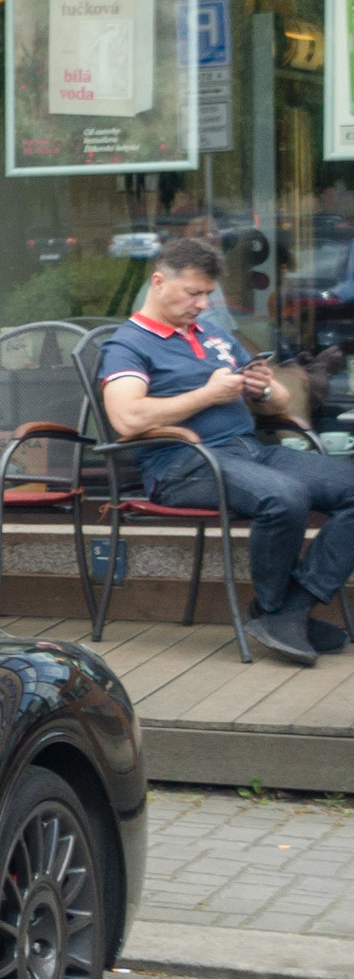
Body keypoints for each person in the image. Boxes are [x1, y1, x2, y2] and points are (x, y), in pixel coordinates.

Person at [96, 238, 354, 664]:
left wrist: (264, 389)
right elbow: (127, 418)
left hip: (249, 451)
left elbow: (279, 405)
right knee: (285, 497)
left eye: (207, 294)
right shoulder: (128, 345)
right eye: (192, 293)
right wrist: (208, 394)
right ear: (159, 283)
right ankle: (275, 611)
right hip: (183, 464)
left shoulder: (212, 335)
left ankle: (291, 607)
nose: (202, 303)